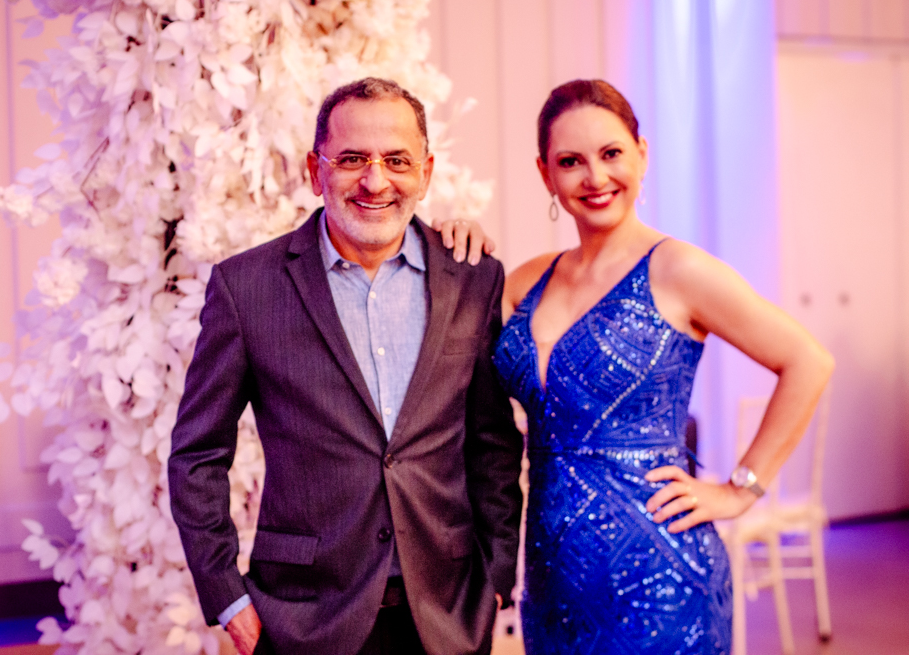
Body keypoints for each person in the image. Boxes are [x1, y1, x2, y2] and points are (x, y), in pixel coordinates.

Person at [168, 77, 524, 655]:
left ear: (426, 173)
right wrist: (227, 596)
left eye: (397, 161)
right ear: (316, 171)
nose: (376, 181)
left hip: (449, 613)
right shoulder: (246, 288)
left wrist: (498, 574)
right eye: (353, 159)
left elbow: (492, 444)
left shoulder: (473, 278)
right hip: (303, 619)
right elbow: (196, 455)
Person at [491, 79, 834, 653]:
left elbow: (808, 361)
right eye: (570, 161)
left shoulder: (677, 270)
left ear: (641, 155)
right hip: (551, 583)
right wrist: (455, 239)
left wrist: (739, 490)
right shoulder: (529, 280)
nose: (595, 177)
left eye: (611, 153)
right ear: (545, 173)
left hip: (662, 577)